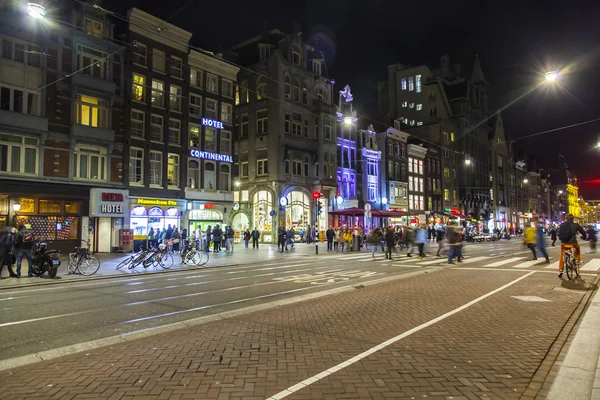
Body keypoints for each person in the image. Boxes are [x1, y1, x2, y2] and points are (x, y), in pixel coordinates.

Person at [557, 214, 587, 278]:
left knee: (562, 255)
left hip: (564, 243)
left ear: (566, 218)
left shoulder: (562, 225)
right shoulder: (576, 225)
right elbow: (583, 232)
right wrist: (584, 237)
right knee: (577, 247)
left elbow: (558, 233)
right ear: (573, 218)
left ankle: (560, 270)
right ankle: (577, 259)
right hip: (573, 243)